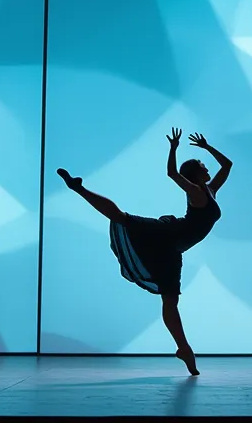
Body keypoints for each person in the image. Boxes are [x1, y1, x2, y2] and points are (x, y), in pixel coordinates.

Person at [55, 128, 230, 376]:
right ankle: (79, 189)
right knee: (122, 218)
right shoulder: (195, 192)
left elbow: (227, 165)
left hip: (174, 249)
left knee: (170, 299)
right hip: (169, 233)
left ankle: (184, 350)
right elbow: (172, 173)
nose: (207, 167)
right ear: (195, 174)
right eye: (203, 165)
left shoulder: (211, 190)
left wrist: (207, 147)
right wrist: (173, 149)